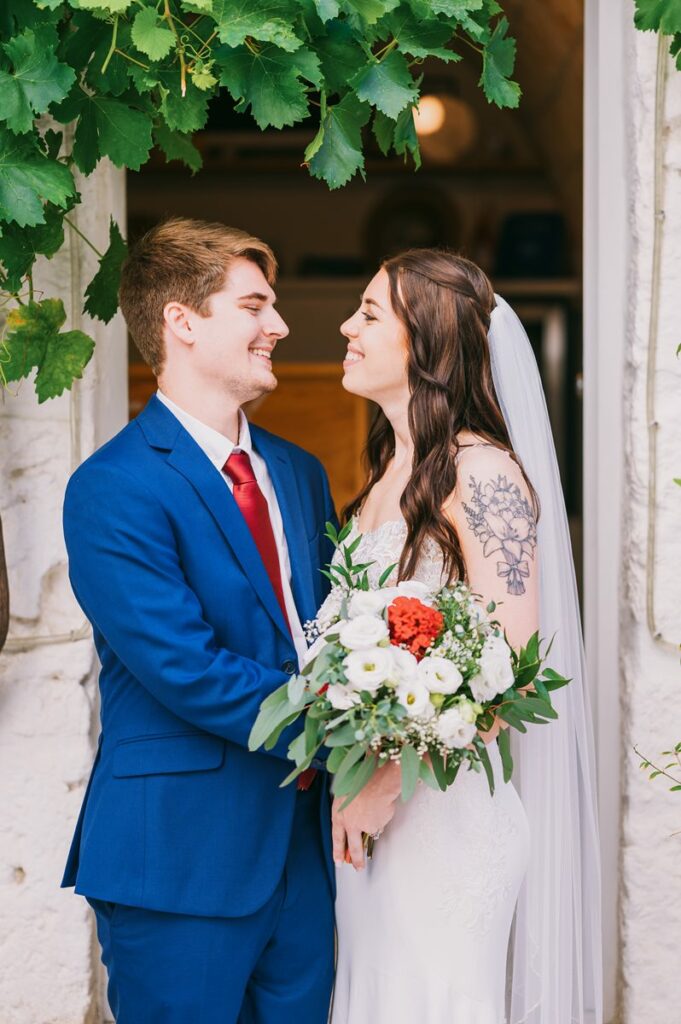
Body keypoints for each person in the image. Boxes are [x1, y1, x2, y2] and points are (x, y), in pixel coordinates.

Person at [61, 217, 336, 1024]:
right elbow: (185, 666)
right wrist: (346, 730)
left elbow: (322, 631)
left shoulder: (298, 471)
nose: (278, 326)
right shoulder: (111, 487)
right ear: (182, 322)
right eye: (254, 306)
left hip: (303, 855)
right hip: (178, 859)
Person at [329, 249, 602, 1024]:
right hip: (369, 814)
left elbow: (509, 669)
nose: (346, 327)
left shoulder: (479, 474)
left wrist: (387, 781)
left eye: (370, 314)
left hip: (445, 818)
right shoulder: (388, 469)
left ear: (428, 340)